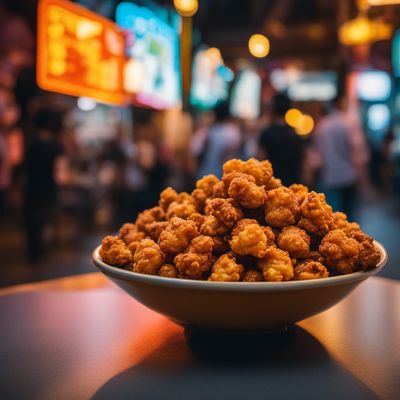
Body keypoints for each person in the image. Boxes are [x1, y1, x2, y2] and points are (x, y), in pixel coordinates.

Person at [311, 97, 369, 220]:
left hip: (328, 179)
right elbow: (358, 155)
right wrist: (363, 181)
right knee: (350, 224)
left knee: (329, 220)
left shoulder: (321, 125)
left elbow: (316, 157)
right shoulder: (350, 123)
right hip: (349, 178)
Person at [23, 107, 66, 262]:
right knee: (46, 223)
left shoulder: (30, 143)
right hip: (48, 190)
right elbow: (60, 175)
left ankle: (33, 254)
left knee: (33, 223)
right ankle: (42, 253)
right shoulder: (56, 146)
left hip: (32, 188)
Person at [258, 93, 304, 186]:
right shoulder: (294, 134)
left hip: (273, 184)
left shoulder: (267, 133)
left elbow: (260, 159)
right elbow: (302, 161)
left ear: (273, 109)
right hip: (293, 184)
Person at [197, 102, 241, 178]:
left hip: (204, 173)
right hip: (222, 175)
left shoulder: (209, 130)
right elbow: (232, 157)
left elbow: (196, 151)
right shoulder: (233, 132)